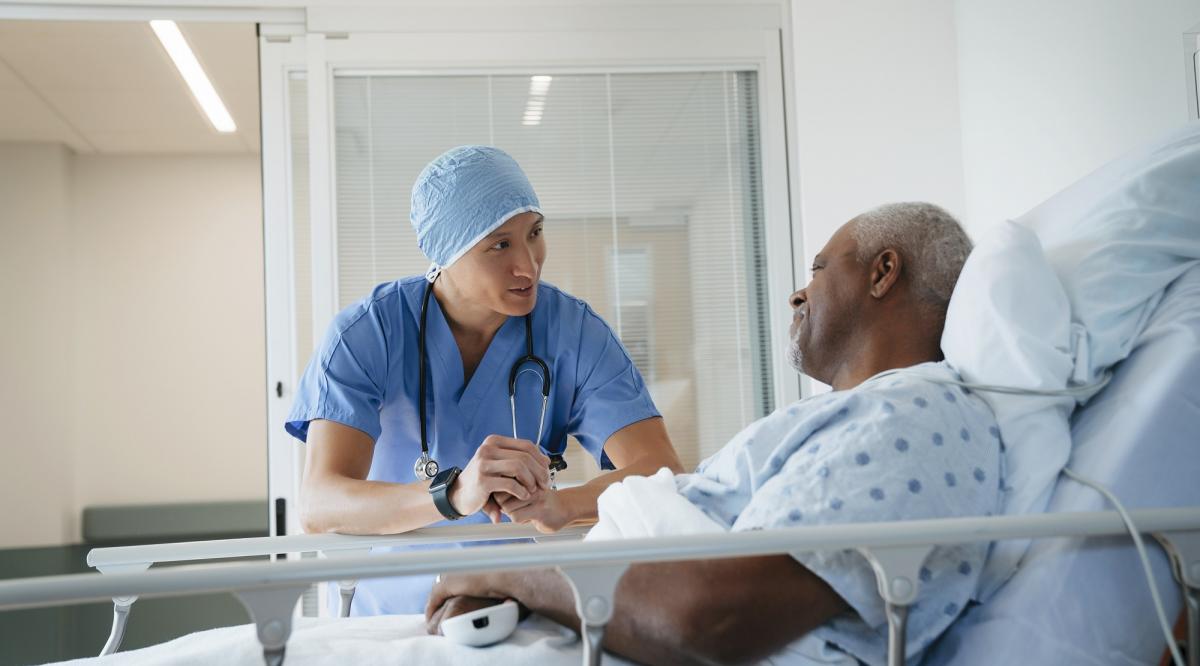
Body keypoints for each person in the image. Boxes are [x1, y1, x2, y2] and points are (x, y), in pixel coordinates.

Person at [426, 202, 1005, 665]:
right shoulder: (848, 417)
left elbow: (711, 619)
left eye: (820, 269)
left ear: (883, 272)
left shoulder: (911, 418)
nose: (798, 293)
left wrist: (504, 571)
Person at [286, 146, 683, 615]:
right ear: (445, 254)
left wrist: (565, 505)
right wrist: (453, 495)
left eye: (534, 233)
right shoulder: (369, 333)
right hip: (386, 617)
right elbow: (319, 503)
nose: (528, 265)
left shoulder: (573, 333)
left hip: (512, 608)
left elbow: (662, 473)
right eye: (499, 245)